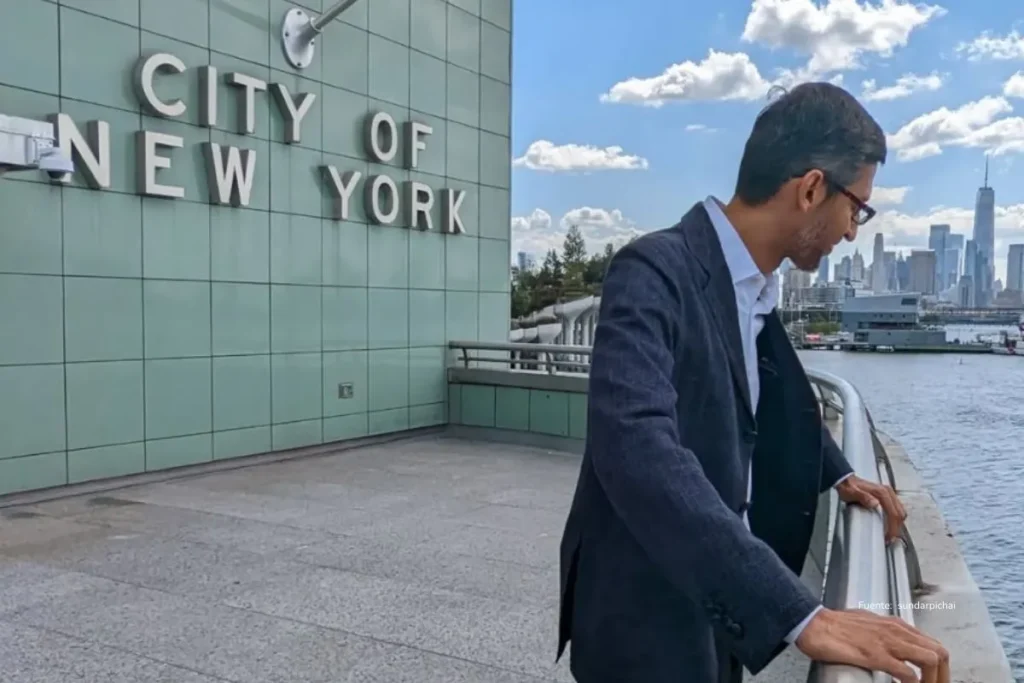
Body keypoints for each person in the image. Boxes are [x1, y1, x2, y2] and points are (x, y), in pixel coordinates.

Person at [555, 82, 950, 683]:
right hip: (645, 610)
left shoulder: (754, 290)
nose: (853, 230)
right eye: (857, 208)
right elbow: (634, 447)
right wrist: (801, 615)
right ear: (812, 188)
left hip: (716, 602)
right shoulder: (653, 271)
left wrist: (839, 473)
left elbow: (776, 394)